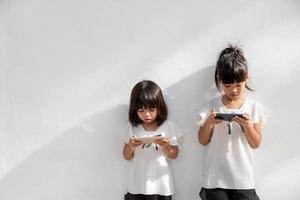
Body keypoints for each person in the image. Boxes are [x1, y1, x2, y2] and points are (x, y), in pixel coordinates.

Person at [197, 45, 267, 200]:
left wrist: (247, 125)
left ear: (246, 78)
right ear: (221, 82)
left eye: (238, 85)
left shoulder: (254, 108)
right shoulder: (210, 105)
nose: (233, 90)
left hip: (243, 180)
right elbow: (202, 140)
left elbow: (256, 144)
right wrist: (209, 123)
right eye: (228, 86)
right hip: (214, 179)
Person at [122, 80, 183, 200]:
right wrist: (131, 146)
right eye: (141, 110)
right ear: (134, 110)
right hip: (137, 185)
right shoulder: (132, 128)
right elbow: (126, 156)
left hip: (161, 186)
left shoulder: (167, 126)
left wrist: (166, 146)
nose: (147, 115)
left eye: (151, 109)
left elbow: (174, 154)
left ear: (159, 107)